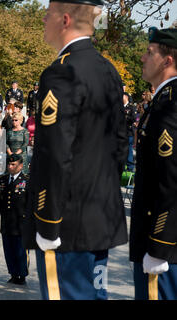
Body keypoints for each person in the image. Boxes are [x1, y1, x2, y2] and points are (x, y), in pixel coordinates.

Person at [21, 0, 128, 300]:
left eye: (49, 12)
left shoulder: (61, 73)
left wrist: (48, 221)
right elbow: (119, 146)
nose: (44, 18)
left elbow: (54, 153)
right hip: (97, 219)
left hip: (65, 227)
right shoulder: (107, 70)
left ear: (65, 19)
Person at [130, 27, 177, 300]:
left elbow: (171, 182)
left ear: (167, 61)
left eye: (150, 53)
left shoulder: (168, 105)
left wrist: (159, 245)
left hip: (162, 247)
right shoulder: (161, 101)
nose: (142, 58)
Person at [0, 154, 29, 285]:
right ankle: (13, 273)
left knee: (21, 251)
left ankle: (22, 275)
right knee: (9, 250)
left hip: (21, 224)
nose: (10, 166)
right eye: (9, 164)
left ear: (20, 166)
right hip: (7, 223)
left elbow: (31, 204)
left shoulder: (26, 181)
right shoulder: (3, 181)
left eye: (13, 165)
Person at [123, 93, 136, 172]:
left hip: (128, 131)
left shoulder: (131, 107)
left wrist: (125, 117)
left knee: (129, 150)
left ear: (126, 97)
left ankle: (130, 167)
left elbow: (133, 118)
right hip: (120, 131)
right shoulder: (119, 107)